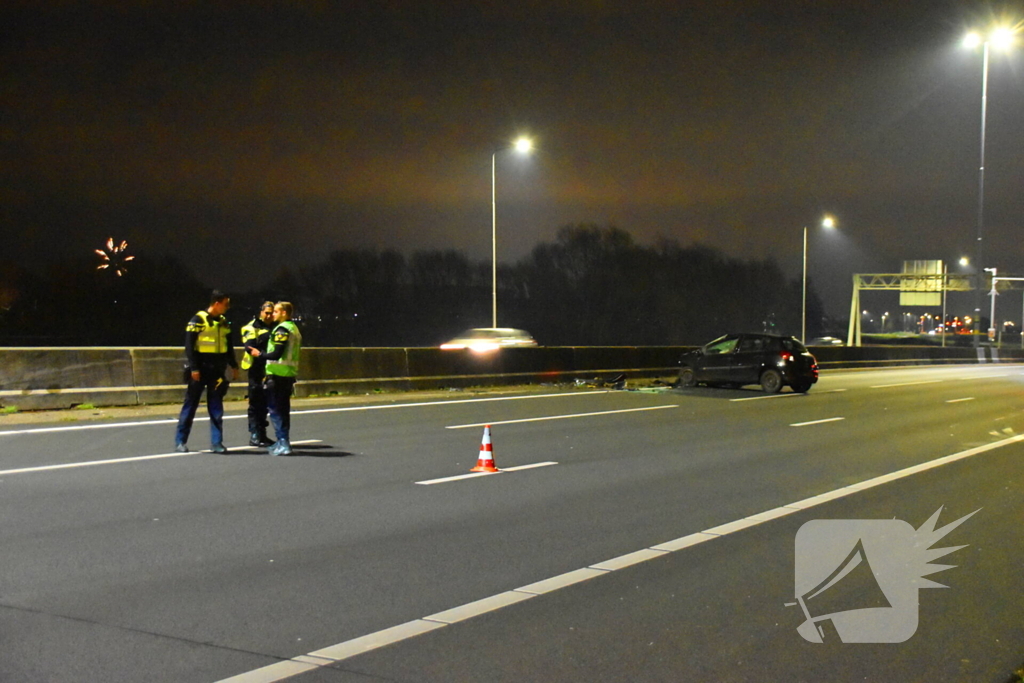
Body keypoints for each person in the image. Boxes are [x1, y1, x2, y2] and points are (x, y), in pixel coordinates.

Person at [174, 290, 238, 453]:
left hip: (217, 371)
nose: (227, 307)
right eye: (225, 304)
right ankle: (180, 441)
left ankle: (217, 443)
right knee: (190, 405)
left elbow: (228, 346)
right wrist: (194, 368)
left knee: (216, 407)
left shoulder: (224, 322)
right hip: (201, 369)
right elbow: (189, 347)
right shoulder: (198, 320)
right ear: (217, 303)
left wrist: (234, 365)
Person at [260, 301, 302, 456]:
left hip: (278, 375)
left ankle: (283, 443)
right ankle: (282, 441)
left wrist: (260, 354)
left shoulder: (282, 329)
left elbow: (277, 353)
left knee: (276, 410)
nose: (273, 314)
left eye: (276, 311)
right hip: (288, 374)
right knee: (283, 410)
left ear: (284, 313)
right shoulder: (294, 328)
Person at [241, 301, 275, 447]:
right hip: (256, 368)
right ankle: (254, 434)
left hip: (270, 368)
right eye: (266, 312)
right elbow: (249, 346)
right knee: (255, 402)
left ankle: (262, 434)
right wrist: (260, 353)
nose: (268, 316)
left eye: (271, 313)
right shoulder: (251, 327)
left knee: (265, 403)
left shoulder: (276, 327)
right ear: (261, 312)